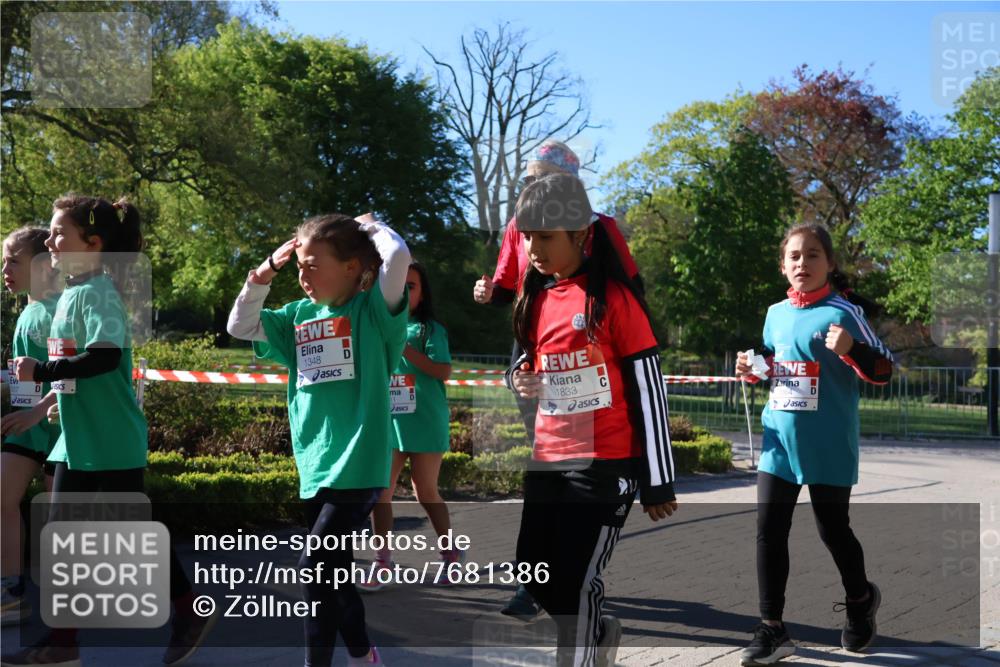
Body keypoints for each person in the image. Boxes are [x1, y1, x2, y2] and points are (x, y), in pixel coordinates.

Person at [2, 196, 211, 667]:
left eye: (60, 234)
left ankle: (189, 614)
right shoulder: (74, 294)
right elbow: (78, 370)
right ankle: (63, 644)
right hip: (78, 441)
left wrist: (43, 371)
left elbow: (105, 357)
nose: (51, 242)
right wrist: (52, 399)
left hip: (112, 441)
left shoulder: (98, 291)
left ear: (93, 244)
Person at [506, 173, 677, 667]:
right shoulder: (533, 298)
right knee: (535, 572)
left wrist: (658, 482)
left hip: (605, 463)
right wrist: (520, 380)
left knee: (576, 580)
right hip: (549, 458)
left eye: (545, 236)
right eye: (527, 236)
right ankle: (599, 634)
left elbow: (649, 390)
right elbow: (527, 367)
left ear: (579, 234)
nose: (534, 248)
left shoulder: (614, 302)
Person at [227, 212, 411, 667]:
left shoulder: (373, 310)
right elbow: (239, 325)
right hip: (314, 464)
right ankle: (362, 651)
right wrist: (268, 268)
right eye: (299, 266)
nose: (303, 276)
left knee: (314, 567)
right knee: (333, 574)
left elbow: (399, 256)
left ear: (351, 267)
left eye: (314, 264)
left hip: (360, 464)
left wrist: (370, 228)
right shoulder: (297, 316)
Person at [472, 139, 643, 620]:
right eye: (528, 178)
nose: (532, 185)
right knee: (545, 459)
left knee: (583, 456)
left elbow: (629, 288)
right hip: (535, 340)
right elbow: (507, 287)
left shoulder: (600, 226)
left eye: (542, 176)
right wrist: (490, 293)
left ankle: (572, 567)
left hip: (588, 339)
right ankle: (534, 581)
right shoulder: (516, 226)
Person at [734, 222, 893, 666]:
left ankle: (861, 601)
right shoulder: (774, 313)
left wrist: (852, 349)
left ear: (830, 264)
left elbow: (884, 370)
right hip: (778, 443)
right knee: (768, 532)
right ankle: (772, 629)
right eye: (795, 256)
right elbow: (771, 362)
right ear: (783, 265)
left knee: (833, 530)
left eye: (813, 255)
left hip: (827, 444)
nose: (803, 263)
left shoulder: (844, 312)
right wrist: (752, 366)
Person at [361, 261, 460, 591]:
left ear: (423, 292)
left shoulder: (430, 329)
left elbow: (442, 371)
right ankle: (382, 562)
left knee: (425, 490)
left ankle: (450, 554)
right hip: (389, 421)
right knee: (381, 492)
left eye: (412, 286)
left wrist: (403, 347)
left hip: (426, 420)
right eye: (398, 286)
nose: (404, 292)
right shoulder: (376, 325)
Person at [1, 227, 61, 626]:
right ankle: (11, 590)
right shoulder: (27, 310)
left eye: (13, 260)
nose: (5, 268)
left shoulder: (62, 309)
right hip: (26, 425)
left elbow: (75, 375)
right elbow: (24, 373)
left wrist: (40, 410)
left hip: (63, 430)